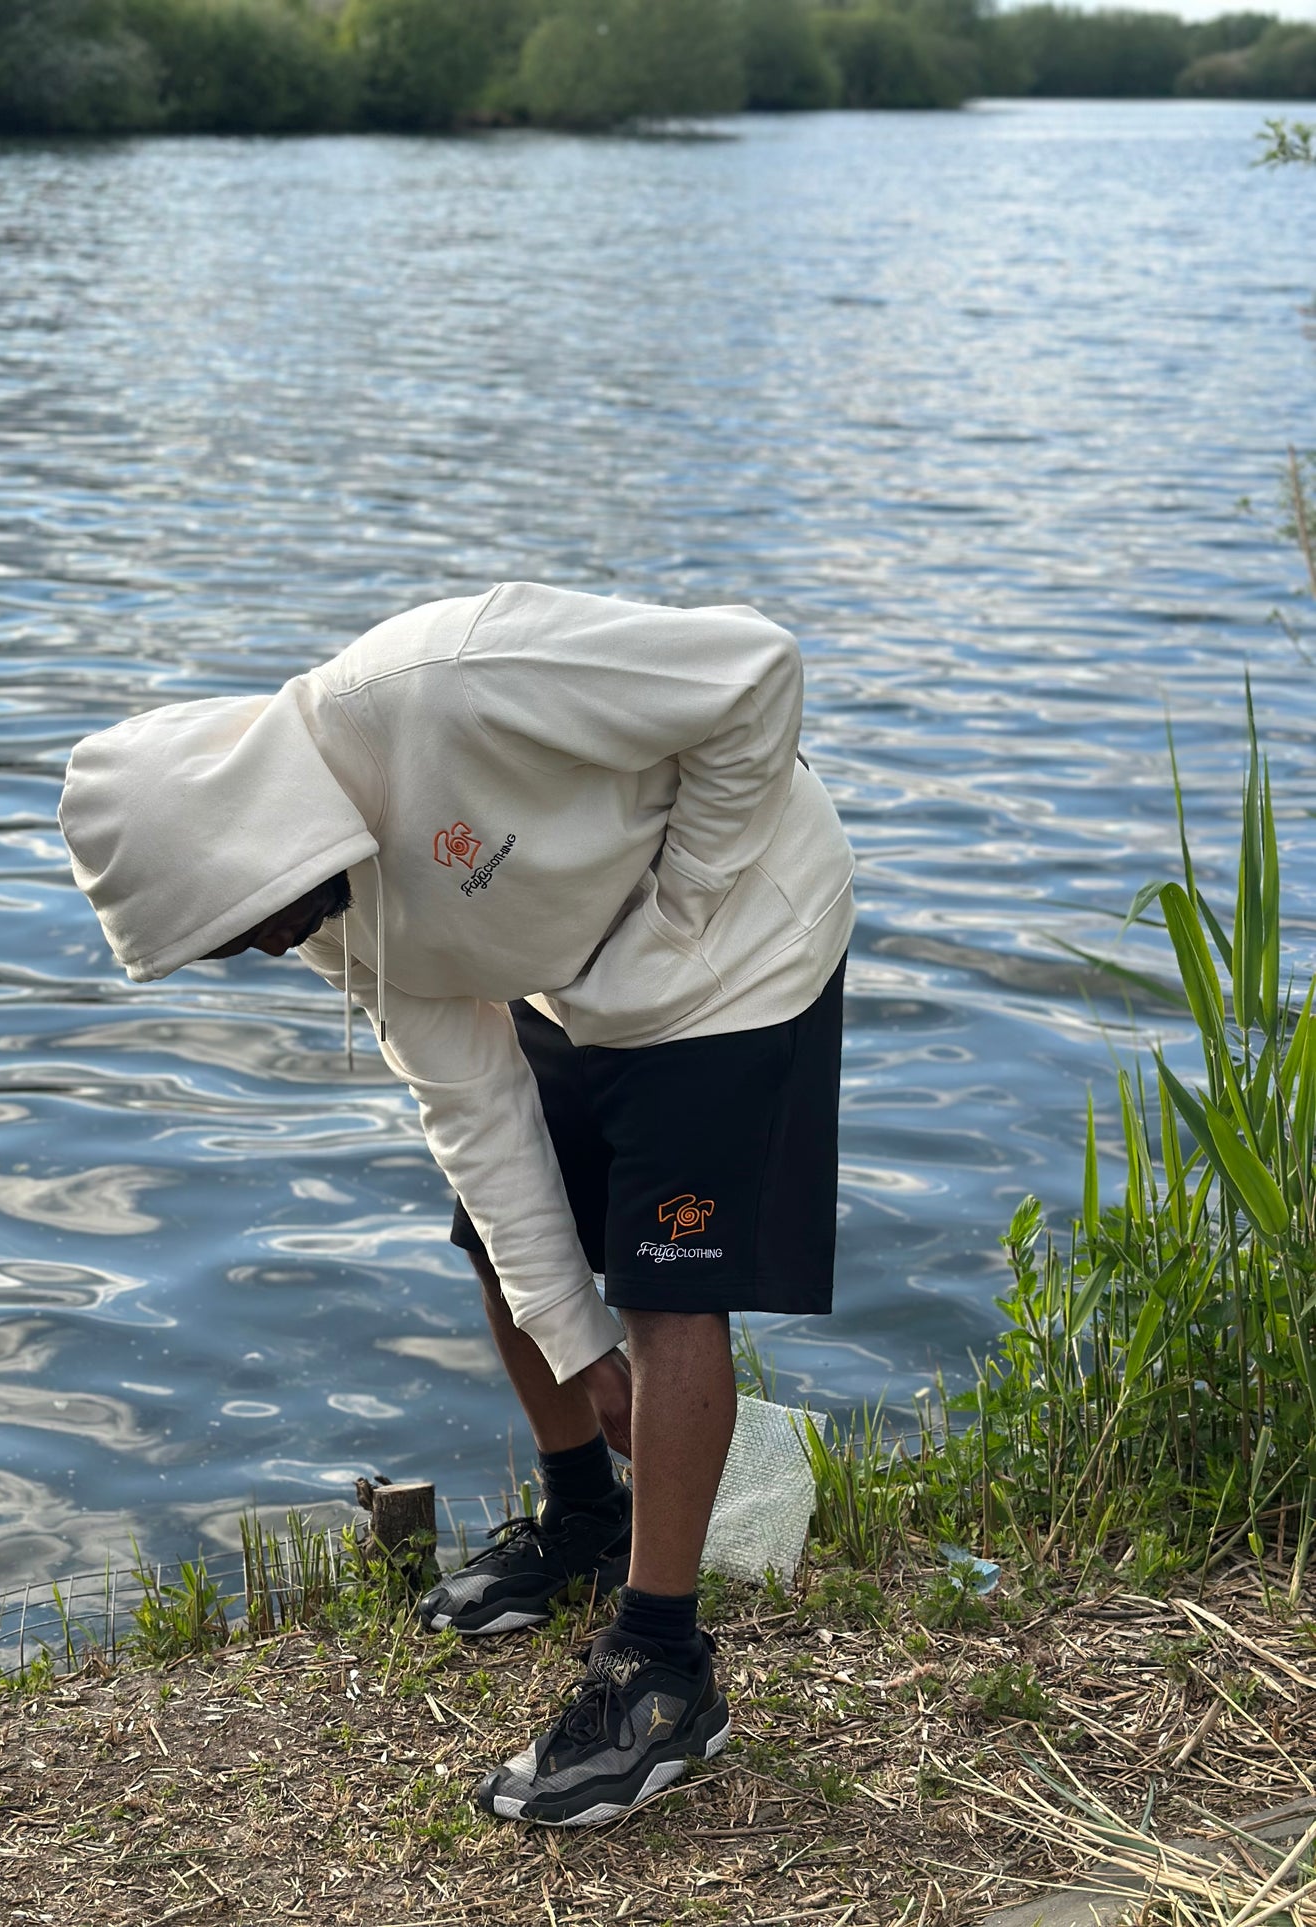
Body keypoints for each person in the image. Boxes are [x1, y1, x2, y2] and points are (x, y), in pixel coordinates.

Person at [58, 581, 854, 1827]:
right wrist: (566, 1337)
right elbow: (472, 1111)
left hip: (734, 950)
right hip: (574, 982)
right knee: (498, 1236)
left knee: (659, 1279)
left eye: (241, 918)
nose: (259, 948)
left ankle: (662, 1664)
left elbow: (753, 672)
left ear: (247, 826)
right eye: (223, 943)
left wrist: (683, 912)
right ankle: (586, 1513)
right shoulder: (318, 901)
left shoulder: (448, 681)